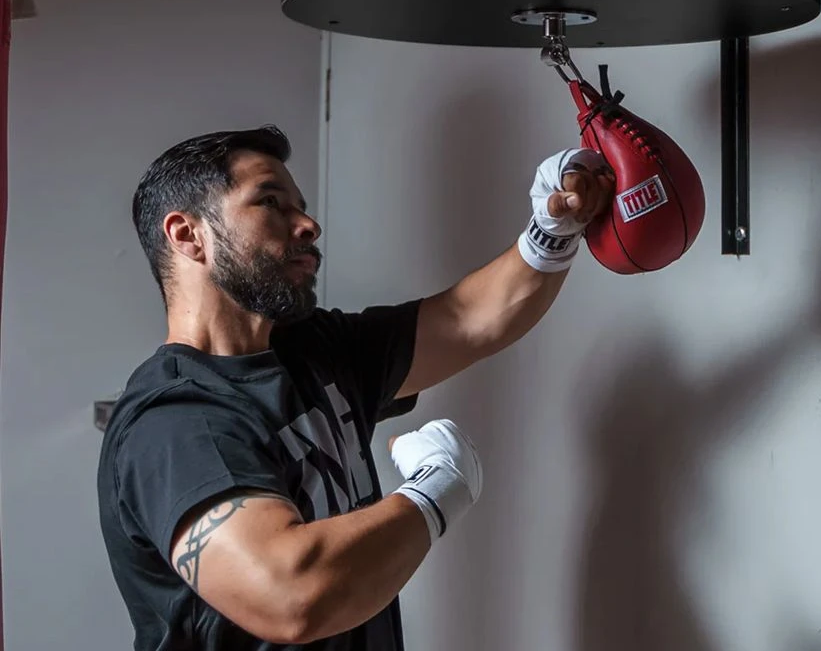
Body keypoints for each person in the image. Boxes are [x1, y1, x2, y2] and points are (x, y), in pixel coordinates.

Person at [97, 124, 613, 650]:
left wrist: (553, 228)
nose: (308, 224)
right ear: (188, 235)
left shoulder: (315, 350)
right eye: (270, 202)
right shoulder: (175, 420)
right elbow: (293, 596)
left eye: (300, 207)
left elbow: (467, 320)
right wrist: (437, 488)